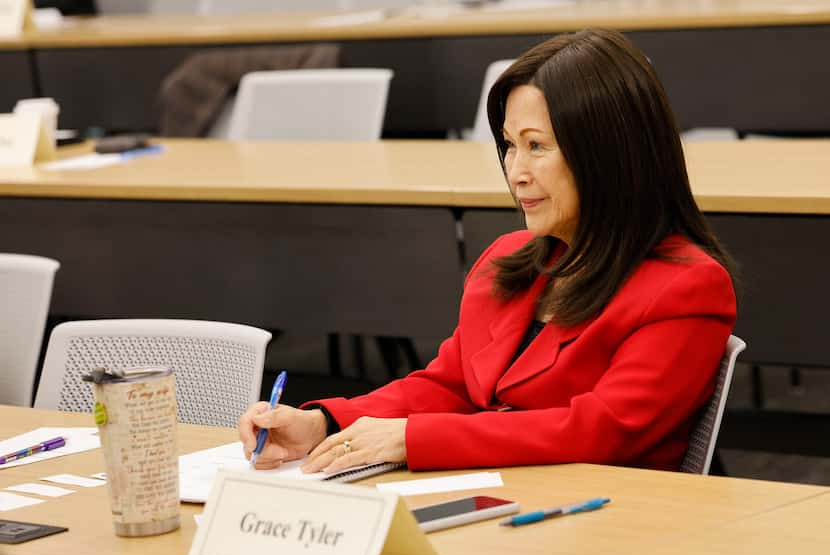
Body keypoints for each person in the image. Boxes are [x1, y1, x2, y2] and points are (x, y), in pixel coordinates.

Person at [238, 28, 737, 474]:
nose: (516, 171)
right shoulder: (508, 259)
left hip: (609, 525)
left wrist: (414, 439)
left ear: (609, 153)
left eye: (537, 146)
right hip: (507, 504)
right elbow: (450, 384)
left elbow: (602, 431)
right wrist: (323, 422)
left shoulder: (687, 286)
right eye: (509, 146)